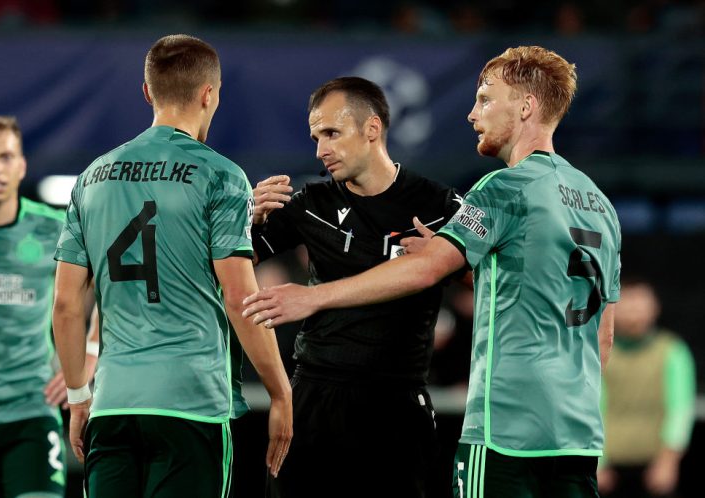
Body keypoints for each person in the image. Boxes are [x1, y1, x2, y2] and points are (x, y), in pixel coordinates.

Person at [244, 46, 622, 498]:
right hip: (575, 432)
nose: (471, 113)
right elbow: (602, 337)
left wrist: (314, 296)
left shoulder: (500, 190)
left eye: (484, 99)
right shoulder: (600, 204)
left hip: (500, 426)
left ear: (526, 107)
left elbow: (424, 271)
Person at [51, 34, 292, 498]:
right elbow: (241, 299)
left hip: (113, 404)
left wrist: (79, 398)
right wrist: (280, 392)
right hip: (192, 403)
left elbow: (65, 306)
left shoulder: (91, 178)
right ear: (209, 94)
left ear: (147, 93)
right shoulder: (220, 174)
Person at [251, 76, 463, 498]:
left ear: (372, 129)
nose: (320, 150)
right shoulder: (310, 204)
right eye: (315, 137)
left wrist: (448, 258)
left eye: (331, 133)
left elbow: (496, 273)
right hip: (315, 397)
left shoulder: (440, 206)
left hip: (397, 405)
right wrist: (244, 220)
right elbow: (224, 261)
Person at [0, 113, 98, 498]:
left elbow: (116, 279)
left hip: (29, 414)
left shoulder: (55, 228)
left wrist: (90, 353)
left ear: (22, 165)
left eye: (5, 157)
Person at [597, 277, 696, 498]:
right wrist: (597, 462)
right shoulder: (599, 350)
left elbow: (680, 409)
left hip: (655, 467)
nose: (633, 310)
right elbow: (592, 406)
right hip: (607, 471)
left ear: (654, 307)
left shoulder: (672, 351)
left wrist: (668, 460)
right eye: (626, 302)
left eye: (640, 302)